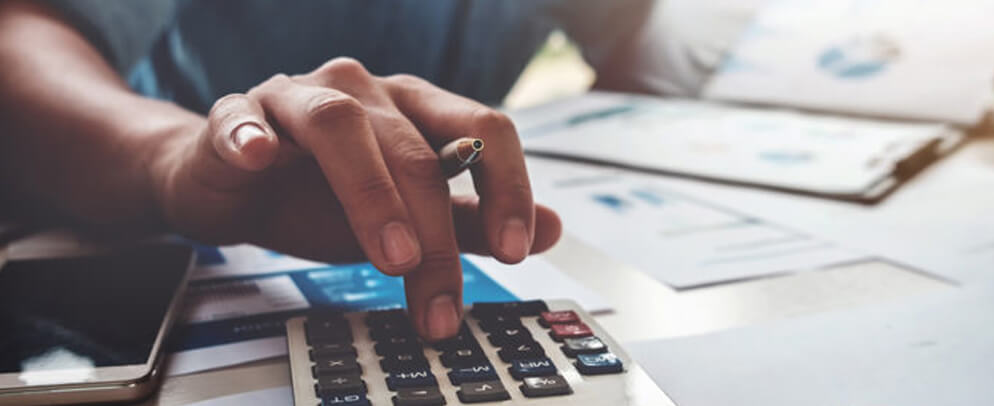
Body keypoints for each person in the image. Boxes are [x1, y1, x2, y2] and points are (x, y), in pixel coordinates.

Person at [0, 0, 727, 341]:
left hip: (400, 247)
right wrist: (168, 159)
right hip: (132, 238)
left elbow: (631, 37)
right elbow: (20, 39)